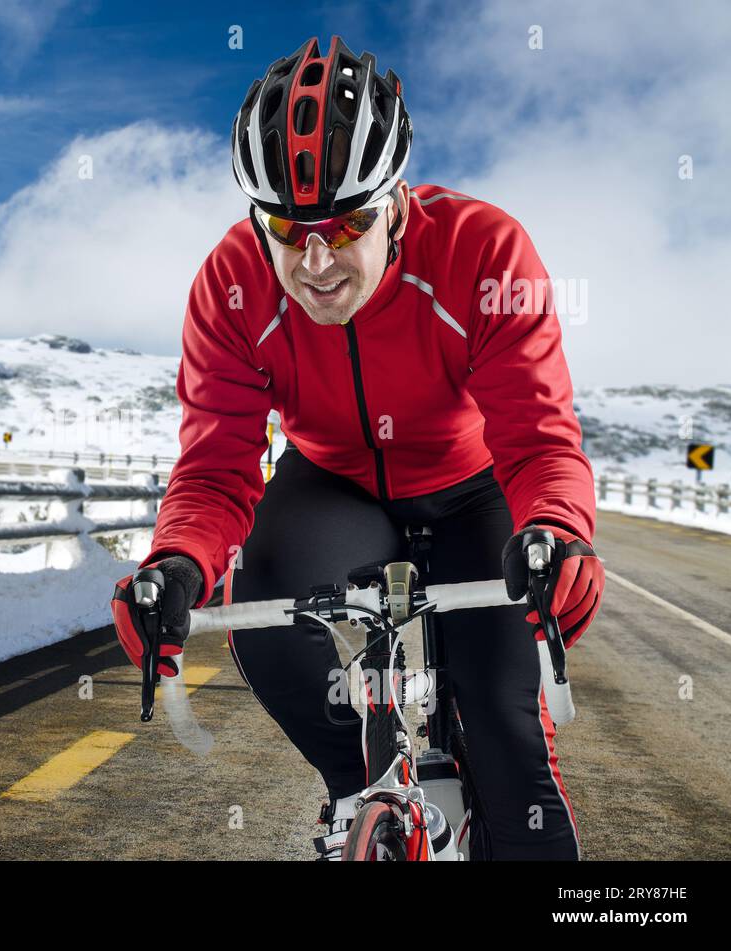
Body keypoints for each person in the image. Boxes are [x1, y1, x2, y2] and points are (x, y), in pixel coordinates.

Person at [110, 35, 604, 860]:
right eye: (284, 226)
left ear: (398, 199)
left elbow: (540, 440)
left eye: (345, 225)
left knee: (508, 740)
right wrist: (178, 563)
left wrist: (559, 533)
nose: (313, 260)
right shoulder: (230, 287)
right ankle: (356, 792)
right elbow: (215, 466)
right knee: (258, 603)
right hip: (334, 482)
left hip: (474, 484)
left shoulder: (486, 251)